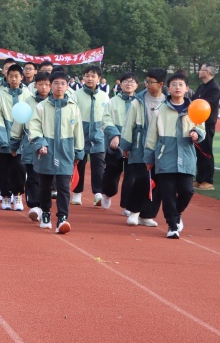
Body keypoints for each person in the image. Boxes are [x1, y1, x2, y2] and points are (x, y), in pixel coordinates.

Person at [144, 71, 205, 239]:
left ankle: (176, 214)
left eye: (181, 84)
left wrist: (197, 134)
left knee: (187, 191)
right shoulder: (160, 110)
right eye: (174, 84)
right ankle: (172, 225)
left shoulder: (195, 109)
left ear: (187, 88)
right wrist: (149, 157)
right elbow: (152, 136)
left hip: (186, 156)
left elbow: (201, 128)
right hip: (165, 156)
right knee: (167, 192)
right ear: (168, 88)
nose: (177, 87)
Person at [27, 71, 84, 233]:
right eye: (56, 83)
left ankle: (62, 218)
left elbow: (78, 131)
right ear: (51, 85)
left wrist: (78, 151)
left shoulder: (73, 107)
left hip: (66, 151)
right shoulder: (41, 107)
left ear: (67, 86)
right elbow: (34, 127)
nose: (59, 86)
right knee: (45, 184)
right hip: (46, 151)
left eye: (63, 83)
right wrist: (40, 144)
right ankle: (45, 213)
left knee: (63, 186)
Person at [120, 68, 168, 227]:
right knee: (142, 180)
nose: (146, 84)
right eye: (146, 81)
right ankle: (134, 212)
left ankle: (147, 215)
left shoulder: (167, 101)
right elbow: (129, 124)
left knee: (157, 182)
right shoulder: (138, 101)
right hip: (140, 146)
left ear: (161, 84)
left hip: (161, 148)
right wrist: (126, 145)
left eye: (150, 82)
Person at [0, 64, 32, 210]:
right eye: (11, 76)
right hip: (3, 138)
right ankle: (5, 196)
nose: (13, 79)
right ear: (6, 77)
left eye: (16, 76)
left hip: (22, 141)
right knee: (3, 169)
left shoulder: (28, 95)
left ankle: (17, 195)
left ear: (21, 77)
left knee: (19, 168)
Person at [10, 71, 52, 221]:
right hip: (31, 146)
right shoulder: (27, 102)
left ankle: (44, 207)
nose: (44, 87)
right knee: (33, 176)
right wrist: (14, 144)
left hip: (51, 147)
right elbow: (19, 124)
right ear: (35, 85)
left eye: (47, 84)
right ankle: (35, 205)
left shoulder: (55, 102)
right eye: (41, 84)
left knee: (47, 179)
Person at [72, 65, 114, 207]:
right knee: (79, 163)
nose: (90, 78)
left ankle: (98, 194)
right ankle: (77, 193)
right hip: (80, 134)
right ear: (83, 77)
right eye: (87, 75)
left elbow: (108, 116)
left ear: (99, 78)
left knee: (99, 164)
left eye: (93, 76)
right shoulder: (76, 95)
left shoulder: (104, 96)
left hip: (98, 135)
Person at [101, 72, 138, 212]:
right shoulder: (112, 101)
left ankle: (127, 205)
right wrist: (114, 135)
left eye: (132, 81)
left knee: (131, 176)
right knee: (112, 172)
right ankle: (107, 193)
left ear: (136, 85)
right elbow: (106, 119)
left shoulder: (139, 102)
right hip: (115, 143)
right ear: (120, 84)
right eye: (126, 81)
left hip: (133, 143)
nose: (129, 84)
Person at [194, 63, 220, 190]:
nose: (199, 71)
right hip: (197, 123)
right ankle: (200, 179)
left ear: (208, 72)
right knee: (199, 152)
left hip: (207, 124)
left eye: (202, 69)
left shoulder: (214, 88)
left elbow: (207, 104)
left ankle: (208, 180)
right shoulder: (202, 87)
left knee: (206, 152)